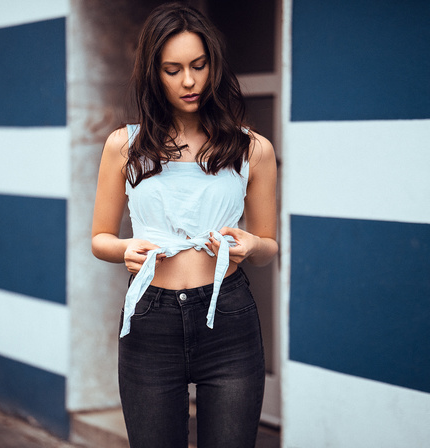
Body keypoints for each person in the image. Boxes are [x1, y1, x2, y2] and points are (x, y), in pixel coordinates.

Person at [91, 3, 278, 447]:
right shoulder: (124, 145)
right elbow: (99, 238)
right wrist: (123, 249)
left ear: (213, 63)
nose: (189, 81)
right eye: (173, 70)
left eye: (198, 65)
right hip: (150, 319)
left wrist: (251, 244)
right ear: (153, 74)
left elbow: (270, 245)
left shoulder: (253, 149)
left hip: (228, 317)